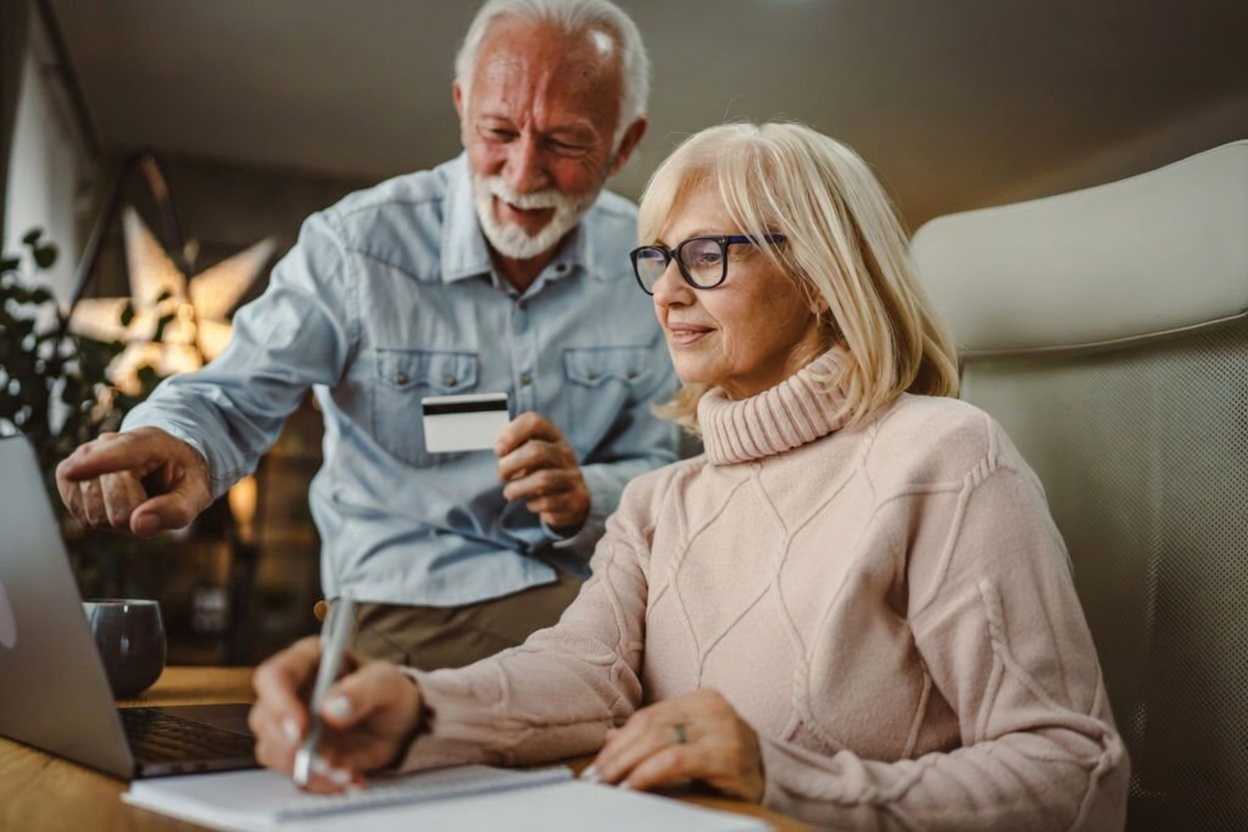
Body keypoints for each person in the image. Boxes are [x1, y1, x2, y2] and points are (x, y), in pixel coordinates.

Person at [247, 119, 1130, 828]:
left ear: (819, 276)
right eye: (658, 259)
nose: (667, 292)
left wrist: (782, 777)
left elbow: (1074, 773)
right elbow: (578, 678)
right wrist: (415, 708)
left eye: (707, 256)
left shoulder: (944, 458)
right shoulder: (658, 500)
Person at [54, 0, 678, 669]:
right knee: (653, 672)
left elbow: (659, 463)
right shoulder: (355, 246)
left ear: (625, 144)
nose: (522, 175)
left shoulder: (649, 265)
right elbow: (237, 394)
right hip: (408, 597)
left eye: (564, 143)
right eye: (498, 131)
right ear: (462, 106)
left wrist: (586, 497)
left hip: (593, 589)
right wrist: (178, 439)